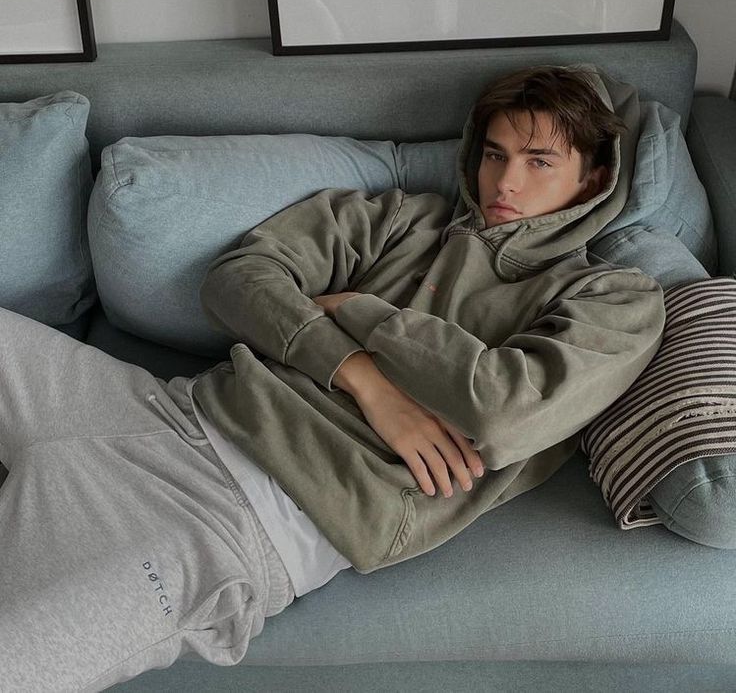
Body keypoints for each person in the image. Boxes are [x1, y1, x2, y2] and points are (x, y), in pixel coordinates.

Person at [0, 66, 665, 691]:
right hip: (162, 413)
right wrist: (363, 378)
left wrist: (362, 312)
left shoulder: (614, 297)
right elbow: (239, 279)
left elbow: (504, 409)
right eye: (495, 153)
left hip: (239, 522)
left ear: (593, 176)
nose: (505, 182)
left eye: (539, 161)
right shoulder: (404, 219)